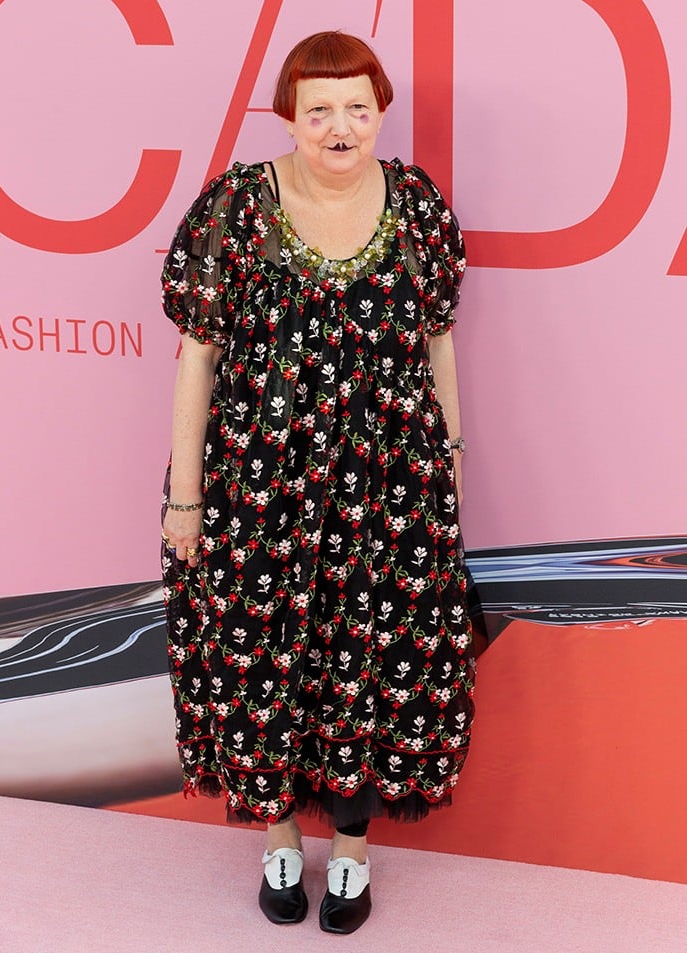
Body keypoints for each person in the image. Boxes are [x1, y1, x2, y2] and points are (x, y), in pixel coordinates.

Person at [159, 30, 475, 935]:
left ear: (380, 112)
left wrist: (448, 463)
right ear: (289, 118)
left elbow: (438, 339)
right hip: (259, 491)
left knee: (372, 667)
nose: (340, 127)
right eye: (319, 110)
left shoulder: (416, 205)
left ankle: (353, 852)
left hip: (389, 488)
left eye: (357, 108)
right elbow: (197, 357)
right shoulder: (234, 208)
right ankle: (278, 837)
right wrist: (186, 498)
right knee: (262, 663)